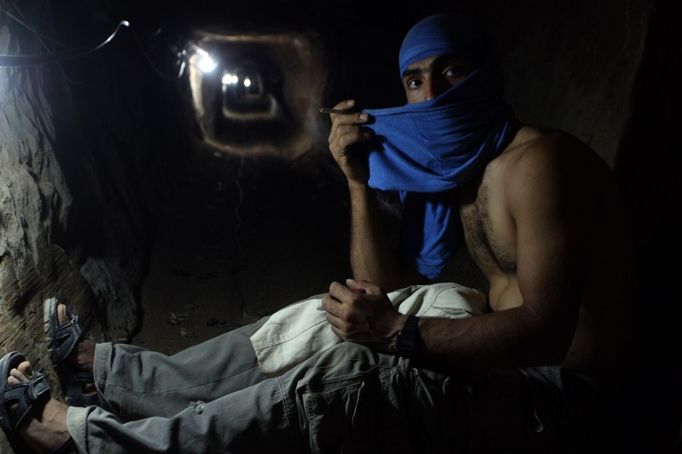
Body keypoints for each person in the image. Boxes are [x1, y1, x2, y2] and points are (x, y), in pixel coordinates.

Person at [0, 12, 633, 454]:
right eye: (416, 80)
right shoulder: (461, 169)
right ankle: (107, 376)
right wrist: (357, 179)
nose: (432, 94)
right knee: (313, 323)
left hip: (567, 402)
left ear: (488, 74)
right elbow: (381, 287)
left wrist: (398, 334)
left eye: (452, 72)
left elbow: (548, 333)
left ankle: (78, 443)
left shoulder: (538, 165)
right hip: (514, 365)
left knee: (343, 379)